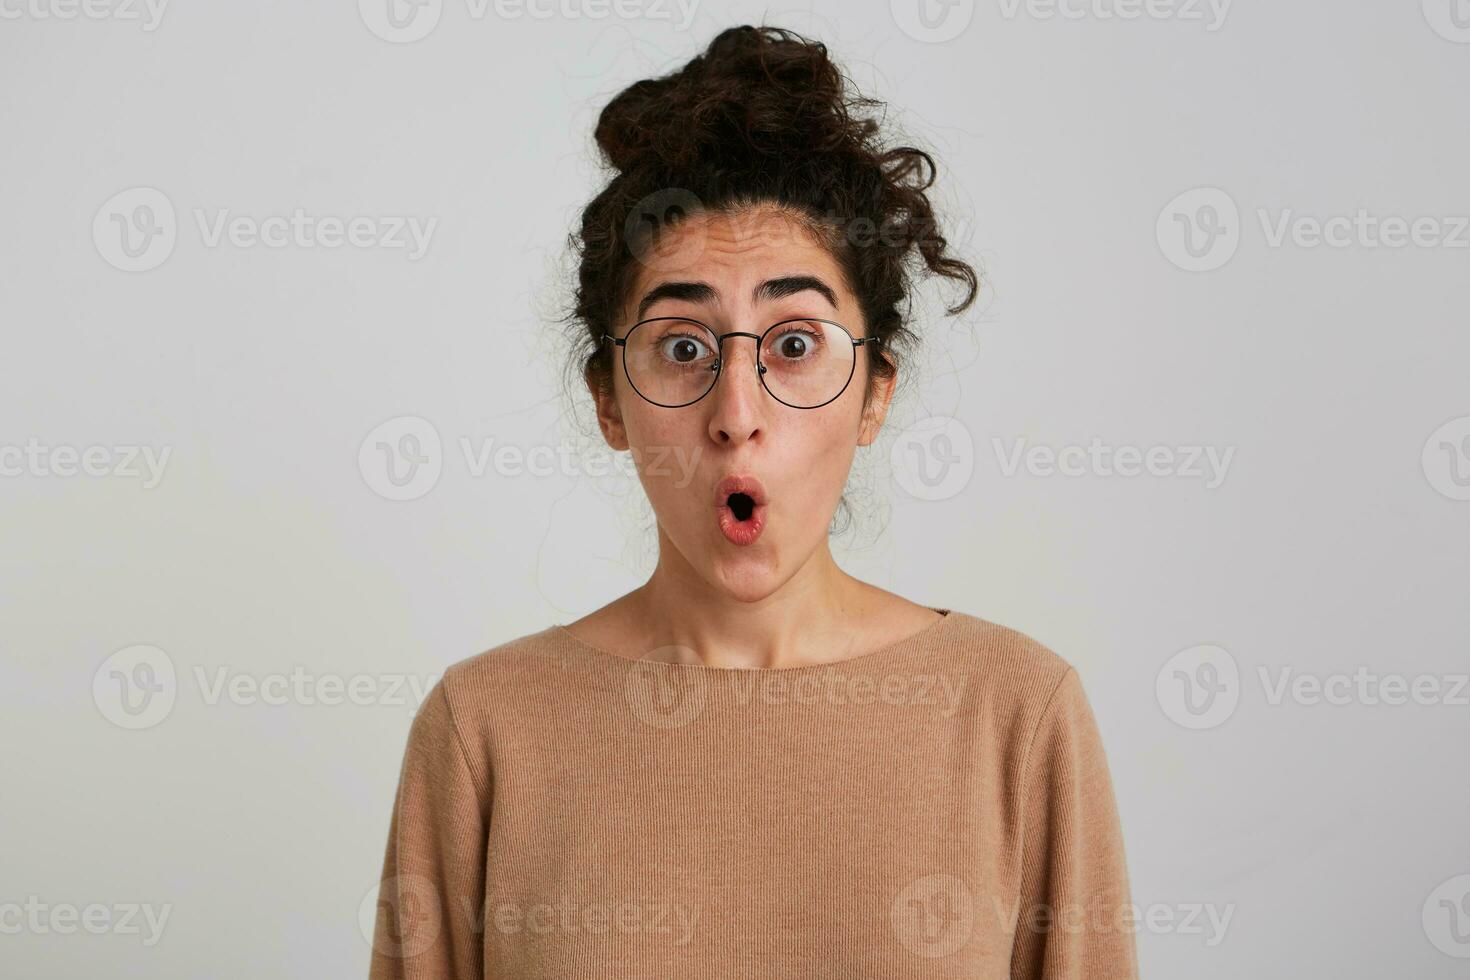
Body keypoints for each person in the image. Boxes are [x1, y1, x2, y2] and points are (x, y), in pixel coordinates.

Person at [368, 24, 1137, 979]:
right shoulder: (484, 731)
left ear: (877, 392)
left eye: (795, 343)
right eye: (683, 347)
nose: (737, 415)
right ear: (609, 400)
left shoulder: (1018, 714)